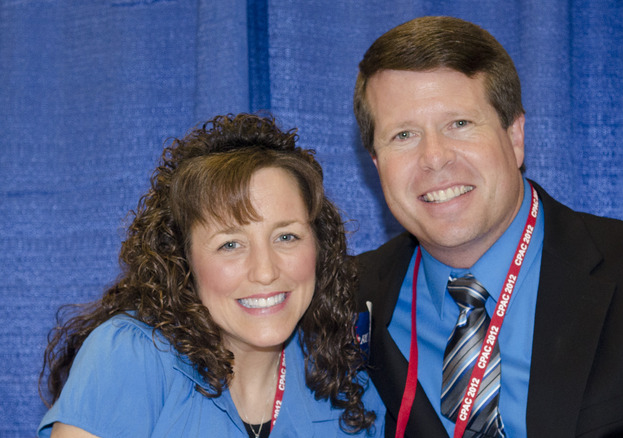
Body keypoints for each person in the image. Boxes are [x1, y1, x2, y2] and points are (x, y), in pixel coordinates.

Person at [352, 15, 623, 438]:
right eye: (403, 136)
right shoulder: (345, 299)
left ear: (515, 137)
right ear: (376, 164)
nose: (434, 157)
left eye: (459, 124)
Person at [38, 113, 384, 437]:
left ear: (319, 247)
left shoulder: (348, 389)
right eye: (230, 244)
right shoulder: (131, 357)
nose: (265, 271)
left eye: (286, 237)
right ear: (182, 259)